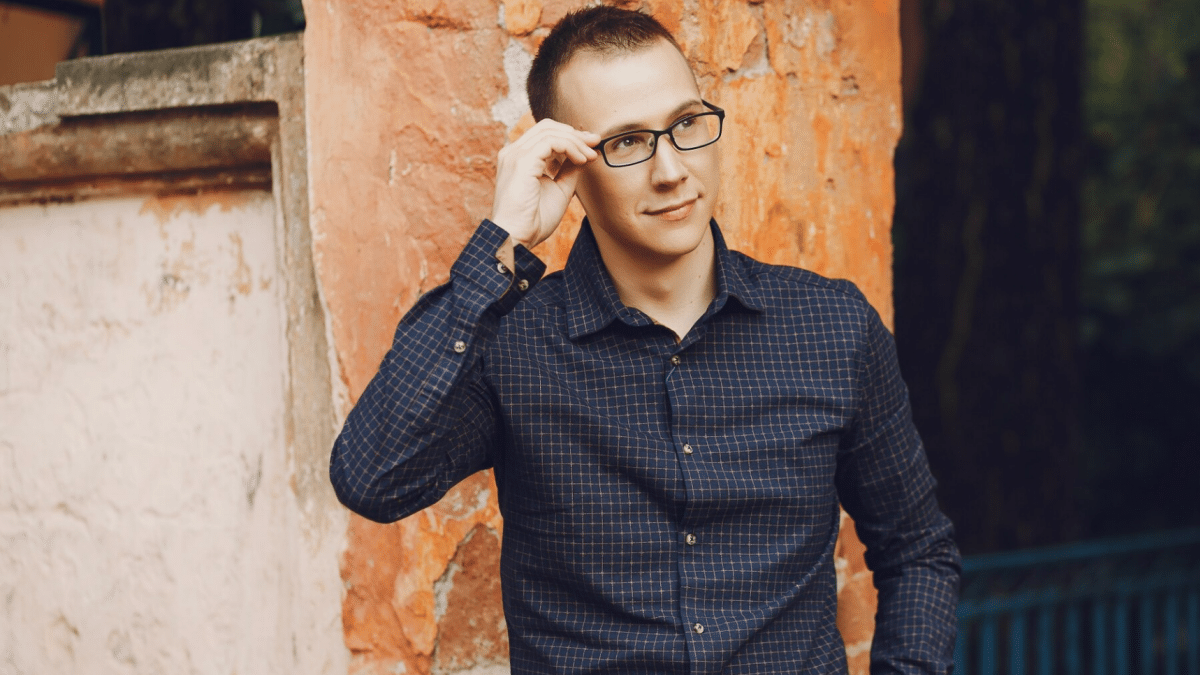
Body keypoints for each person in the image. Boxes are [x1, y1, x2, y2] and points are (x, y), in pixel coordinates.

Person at [330, 6, 960, 674]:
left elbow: (918, 551)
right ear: (568, 166)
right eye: (627, 142)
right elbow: (371, 477)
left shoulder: (830, 327)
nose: (671, 170)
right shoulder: (513, 345)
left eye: (685, 124)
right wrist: (502, 244)